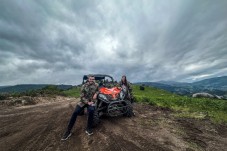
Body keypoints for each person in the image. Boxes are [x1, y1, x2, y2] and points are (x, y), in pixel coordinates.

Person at [61, 75, 99, 140]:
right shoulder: (84, 86)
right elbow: (81, 97)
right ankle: (68, 131)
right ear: (88, 79)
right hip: (83, 102)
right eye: (91, 79)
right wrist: (87, 102)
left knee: (92, 110)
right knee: (75, 112)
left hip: (92, 102)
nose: (92, 80)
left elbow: (98, 90)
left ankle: (88, 128)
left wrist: (96, 93)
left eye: (93, 79)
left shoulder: (96, 85)